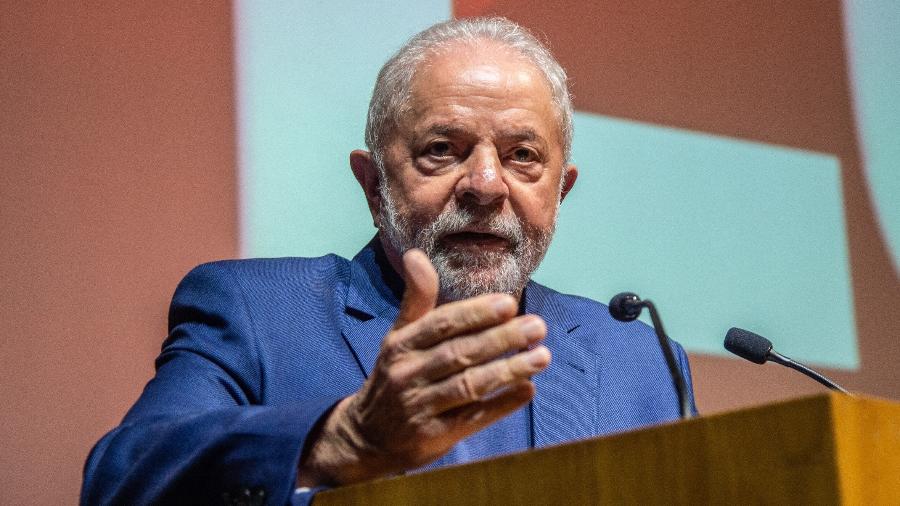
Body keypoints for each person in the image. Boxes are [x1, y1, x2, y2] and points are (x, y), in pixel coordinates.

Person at [81, 17, 696, 505]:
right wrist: (343, 440)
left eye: (523, 156)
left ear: (560, 191)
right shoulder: (257, 313)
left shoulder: (642, 363)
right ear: (373, 185)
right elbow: (120, 481)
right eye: (442, 149)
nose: (486, 185)